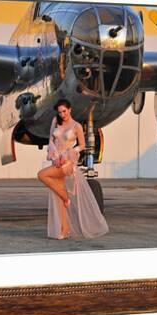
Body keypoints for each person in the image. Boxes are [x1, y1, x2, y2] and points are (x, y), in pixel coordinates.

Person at [37, 99, 109, 240]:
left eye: (64, 111)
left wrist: (68, 153)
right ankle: (65, 229)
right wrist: (56, 156)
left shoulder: (76, 126)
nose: (62, 114)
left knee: (41, 175)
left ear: (70, 110)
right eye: (60, 112)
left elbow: (81, 145)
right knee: (57, 200)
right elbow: (51, 140)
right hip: (57, 161)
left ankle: (65, 196)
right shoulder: (55, 121)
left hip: (68, 163)